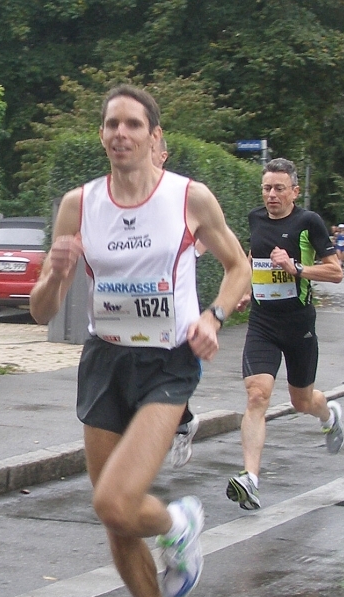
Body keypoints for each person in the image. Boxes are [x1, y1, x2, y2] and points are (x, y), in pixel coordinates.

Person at [29, 85, 251, 597]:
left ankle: (179, 524)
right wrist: (55, 276)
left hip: (168, 362)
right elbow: (40, 311)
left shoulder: (188, 199)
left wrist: (214, 316)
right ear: (102, 134)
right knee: (115, 519)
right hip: (106, 360)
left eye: (132, 124)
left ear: (154, 137)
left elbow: (239, 268)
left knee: (114, 500)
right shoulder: (79, 205)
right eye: (110, 124)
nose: (119, 134)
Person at [227, 158, 344, 512]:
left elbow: (336, 272)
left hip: (299, 325)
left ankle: (328, 416)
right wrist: (248, 288)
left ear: (295, 191)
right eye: (267, 188)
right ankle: (251, 479)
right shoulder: (256, 218)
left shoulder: (308, 223)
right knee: (257, 395)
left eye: (280, 188)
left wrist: (296, 268)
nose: (272, 195)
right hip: (263, 323)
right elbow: (253, 257)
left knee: (301, 401)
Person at [150, 136, 201, 467]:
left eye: (151, 149)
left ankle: (181, 424)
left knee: (162, 380)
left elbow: (217, 242)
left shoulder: (183, 196)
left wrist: (192, 247)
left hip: (176, 321)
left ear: (162, 154)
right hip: (128, 323)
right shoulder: (112, 198)